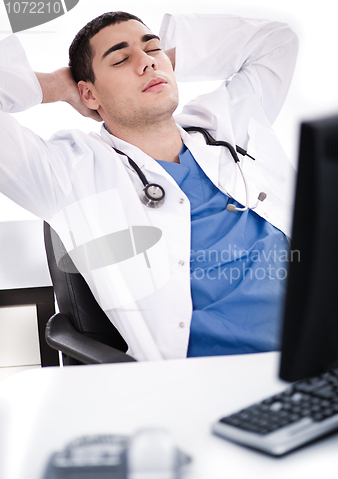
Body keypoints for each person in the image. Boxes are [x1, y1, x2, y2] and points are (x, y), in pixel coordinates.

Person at [0, 11, 298, 361]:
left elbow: (277, 41)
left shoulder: (224, 123)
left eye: (153, 49)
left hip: (322, 345)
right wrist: (55, 87)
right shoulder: (66, 172)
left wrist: (154, 62)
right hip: (217, 377)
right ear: (89, 95)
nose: (146, 63)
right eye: (121, 58)